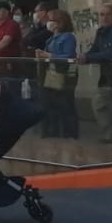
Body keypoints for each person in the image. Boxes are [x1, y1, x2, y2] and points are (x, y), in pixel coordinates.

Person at [79, 3, 112, 143]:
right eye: (102, 15)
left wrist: (89, 57)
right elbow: (95, 49)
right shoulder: (101, 31)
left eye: (108, 14)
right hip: (106, 77)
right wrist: (84, 56)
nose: (105, 17)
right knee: (99, 104)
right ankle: (110, 136)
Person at [35, 9, 79, 139]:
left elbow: (68, 55)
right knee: (51, 105)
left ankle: (70, 134)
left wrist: (48, 55)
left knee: (66, 105)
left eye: (51, 20)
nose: (48, 23)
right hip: (50, 75)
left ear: (59, 22)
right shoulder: (50, 39)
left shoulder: (68, 37)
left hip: (64, 76)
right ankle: (53, 132)